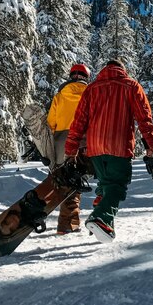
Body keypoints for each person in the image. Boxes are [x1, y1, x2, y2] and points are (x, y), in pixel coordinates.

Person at [65, 60, 153, 243]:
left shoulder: (92, 89)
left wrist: (71, 150)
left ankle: (104, 218)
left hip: (95, 148)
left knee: (107, 184)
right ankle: (100, 218)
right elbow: (144, 117)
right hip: (119, 145)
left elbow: (79, 122)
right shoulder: (131, 86)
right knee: (117, 186)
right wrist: (150, 145)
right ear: (122, 70)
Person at [47, 63, 90, 234]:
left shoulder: (59, 95)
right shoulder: (90, 94)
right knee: (74, 181)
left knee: (63, 179)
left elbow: (51, 123)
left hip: (60, 141)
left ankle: (71, 221)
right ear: (86, 77)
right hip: (81, 140)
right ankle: (66, 225)